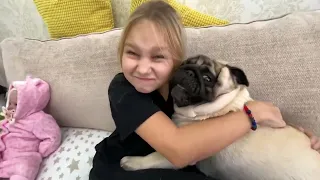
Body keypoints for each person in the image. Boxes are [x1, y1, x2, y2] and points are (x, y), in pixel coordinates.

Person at [89, 1, 320, 179]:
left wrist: (298, 141)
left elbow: (221, 127)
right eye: (132, 53)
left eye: (158, 56)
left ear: (176, 60)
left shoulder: (183, 87)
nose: (143, 67)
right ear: (120, 52)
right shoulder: (122, 89)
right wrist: (253, 114)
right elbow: (178, 149)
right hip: (124, 167)